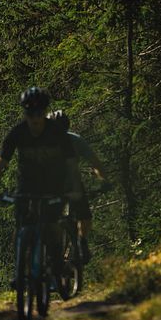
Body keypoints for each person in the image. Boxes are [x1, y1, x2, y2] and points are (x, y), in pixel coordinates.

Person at [0, 87, 78, 288]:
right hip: (26, 187)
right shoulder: (18, 133)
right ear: (24, 113)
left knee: (52, 226)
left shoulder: (56, 133)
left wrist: (71, 188)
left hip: (54, 186)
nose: (34, 118)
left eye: (39, 113)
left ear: (45, 112)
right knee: (21, 228)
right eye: (30, 113)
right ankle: (21, 271)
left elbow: (71, 164)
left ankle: (56, 266)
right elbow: (0, 164)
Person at [47, 110, 110, 264]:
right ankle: (52, 252)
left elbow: (95, 162)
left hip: (72, 184)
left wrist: (105, 179)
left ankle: (81, 242)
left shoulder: (75, 140)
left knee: (85, 217)